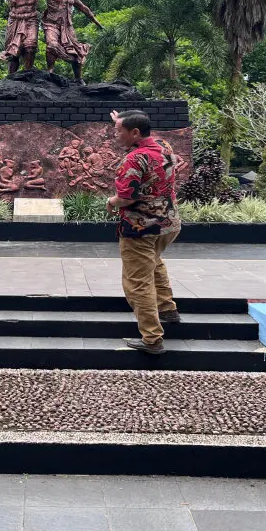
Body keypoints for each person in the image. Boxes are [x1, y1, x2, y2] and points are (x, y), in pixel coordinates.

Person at [106, 111, 182, 355]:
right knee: (155, 263)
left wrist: (110, 201)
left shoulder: (134, 159)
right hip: (168, 225)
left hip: (141, 228)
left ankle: (152, 338)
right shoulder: (163, 145)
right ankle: (167, 309)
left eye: (118, 131)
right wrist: (123, 121)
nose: (114, 134)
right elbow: (144, 131)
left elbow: (125, 199)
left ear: (135, 133)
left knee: (138, 282)